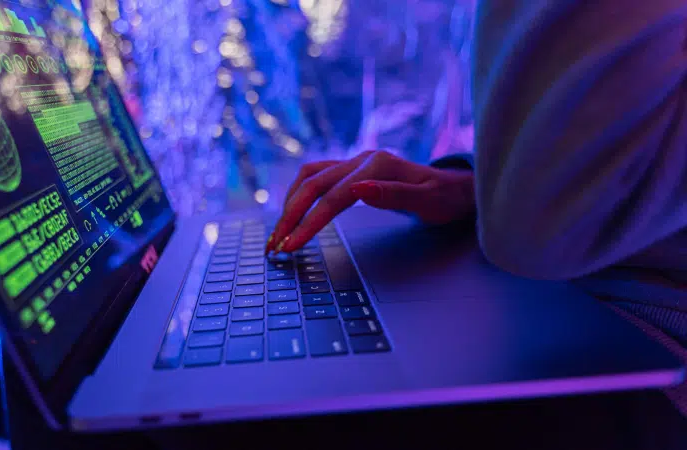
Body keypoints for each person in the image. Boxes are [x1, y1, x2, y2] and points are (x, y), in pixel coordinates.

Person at [266, 0, 687, 416]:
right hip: (581, 296)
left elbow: (539, 237)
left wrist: (528, 202)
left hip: (653, 343)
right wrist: (479, 189)